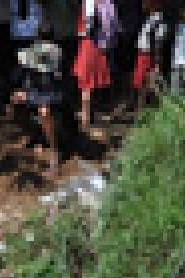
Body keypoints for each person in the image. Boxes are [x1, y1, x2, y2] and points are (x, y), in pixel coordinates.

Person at [10, 23, 64, 179]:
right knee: (14, 101)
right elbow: (22, 62)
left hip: (51, 94)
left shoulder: (56, 52)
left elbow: (50, 70)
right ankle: (34, 135)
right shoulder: (33, 50)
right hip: (34, 91)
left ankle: (54, 154)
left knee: (44, 111)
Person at [73, 0, 118, 134]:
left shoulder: (90, 2)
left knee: (86, 84)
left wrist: (82, 32)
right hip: (103, 46)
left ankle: (85, 122)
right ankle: (90, 117)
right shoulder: (109, 3)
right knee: (93, 84)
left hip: (90, 44)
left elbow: (89, 25)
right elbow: (114, 27)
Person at [133, 1, 168, 110]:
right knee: (142, 86)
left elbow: (158, 44)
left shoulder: (159, 22)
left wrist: (157, 63)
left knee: (150, 85)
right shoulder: (149, 20)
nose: (143, 4)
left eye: (146, 2)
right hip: (142, 55)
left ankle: (160, 110)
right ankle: (142, 112)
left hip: (148, 56)